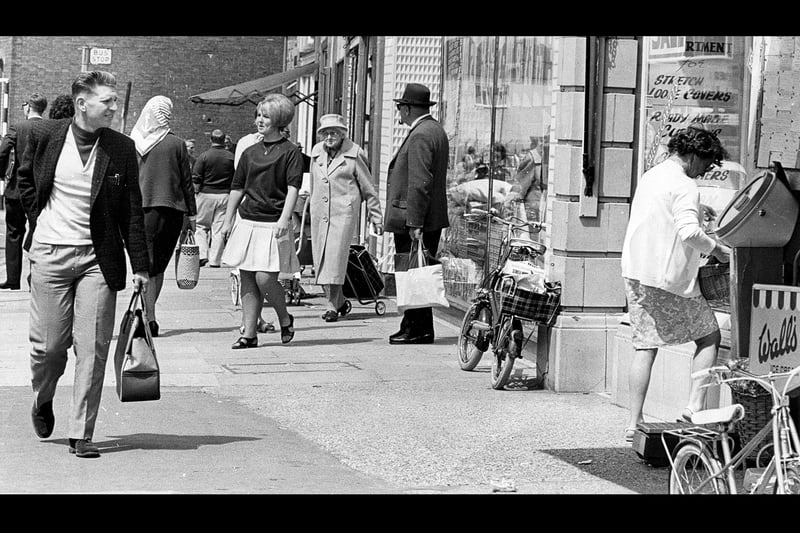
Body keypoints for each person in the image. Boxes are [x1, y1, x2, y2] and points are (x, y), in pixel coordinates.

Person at [16, 71, 150, 458]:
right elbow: (25, 180)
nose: (113, 107)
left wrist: (139, 265)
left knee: (92, 347)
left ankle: (81, 432)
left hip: (98, 259)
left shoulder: (121, 148)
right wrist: (37, 219)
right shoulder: (44, 137)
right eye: (106, 101)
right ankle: (42, 398)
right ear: (82, 103)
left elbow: (132, 211)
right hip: (50, 254)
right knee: (49, 348)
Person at [620, 125, 731, 444]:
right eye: (707, 163)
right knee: (710, 335)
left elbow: (662, 219)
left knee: (644, 345)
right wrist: (718, 250)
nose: (706, 170)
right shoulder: (684, 185)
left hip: (636, 271)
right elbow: (689, 232)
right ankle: (694, 406)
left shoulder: (652, 175)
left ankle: (633, 421)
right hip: (667, 279)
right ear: (695, 155)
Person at [221, 94, 303, 349]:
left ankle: (284, 317)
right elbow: (237, 187)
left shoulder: (290, 152)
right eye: (258, 115)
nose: (259, 120)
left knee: (265, 279)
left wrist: (284, 219)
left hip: (272, 223)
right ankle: (249, 333)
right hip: (248, 221)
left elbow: (293, 189)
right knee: (247, 277)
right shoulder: (249, 152)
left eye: (265, 116)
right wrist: (227, 220)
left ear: (279, 120)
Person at [384, 83, 449, 345]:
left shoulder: (421, 134)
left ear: (409, 108)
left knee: (414, 273)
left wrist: (414, 222)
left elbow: (420, 181)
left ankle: (418, 328)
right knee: (416, 271)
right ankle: (413, 324)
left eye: (400, 107)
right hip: (425, 216)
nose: (399, 112)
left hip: (416, 217)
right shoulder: (433, 130)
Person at [130, 95, 197, 338]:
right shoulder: (177, 144)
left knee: (144, 265)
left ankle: (147, 315)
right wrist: (191, 214)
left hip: (140, 210)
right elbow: (186, 181)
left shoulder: (132, 142)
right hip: (172, 210)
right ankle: (150, 315)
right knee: (159, 266)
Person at [306, 114, 383, 322]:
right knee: (320, 261)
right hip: (319, 213)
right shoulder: (316, 153)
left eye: (333, 132)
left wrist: (376, 216)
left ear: (342, 134)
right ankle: (339, 302)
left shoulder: (354, 154)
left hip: (342, 213)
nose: (329, 137)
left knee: (335, 260)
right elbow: (314, 184)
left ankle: (331, 306)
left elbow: (368, 187)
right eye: (325, 133)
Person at [0, 92, 47, 290]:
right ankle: (35, 276)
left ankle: (12, 279)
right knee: (40, 232)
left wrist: (3, 175)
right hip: (39, 191)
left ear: (28, 107)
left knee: (13, 232)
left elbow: (2, 152)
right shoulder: (49, 128)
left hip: (17, 189)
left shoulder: (17, 128)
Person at [192, 129, 234, 268]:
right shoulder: (231, 157)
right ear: (224, 141)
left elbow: (196, 178)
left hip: (205, 194)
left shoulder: (204, 157)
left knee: (200, 226)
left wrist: (195, 193)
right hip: (225, 195)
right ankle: (215, 260)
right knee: (219, 229)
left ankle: (202, 255)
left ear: (211, 140)